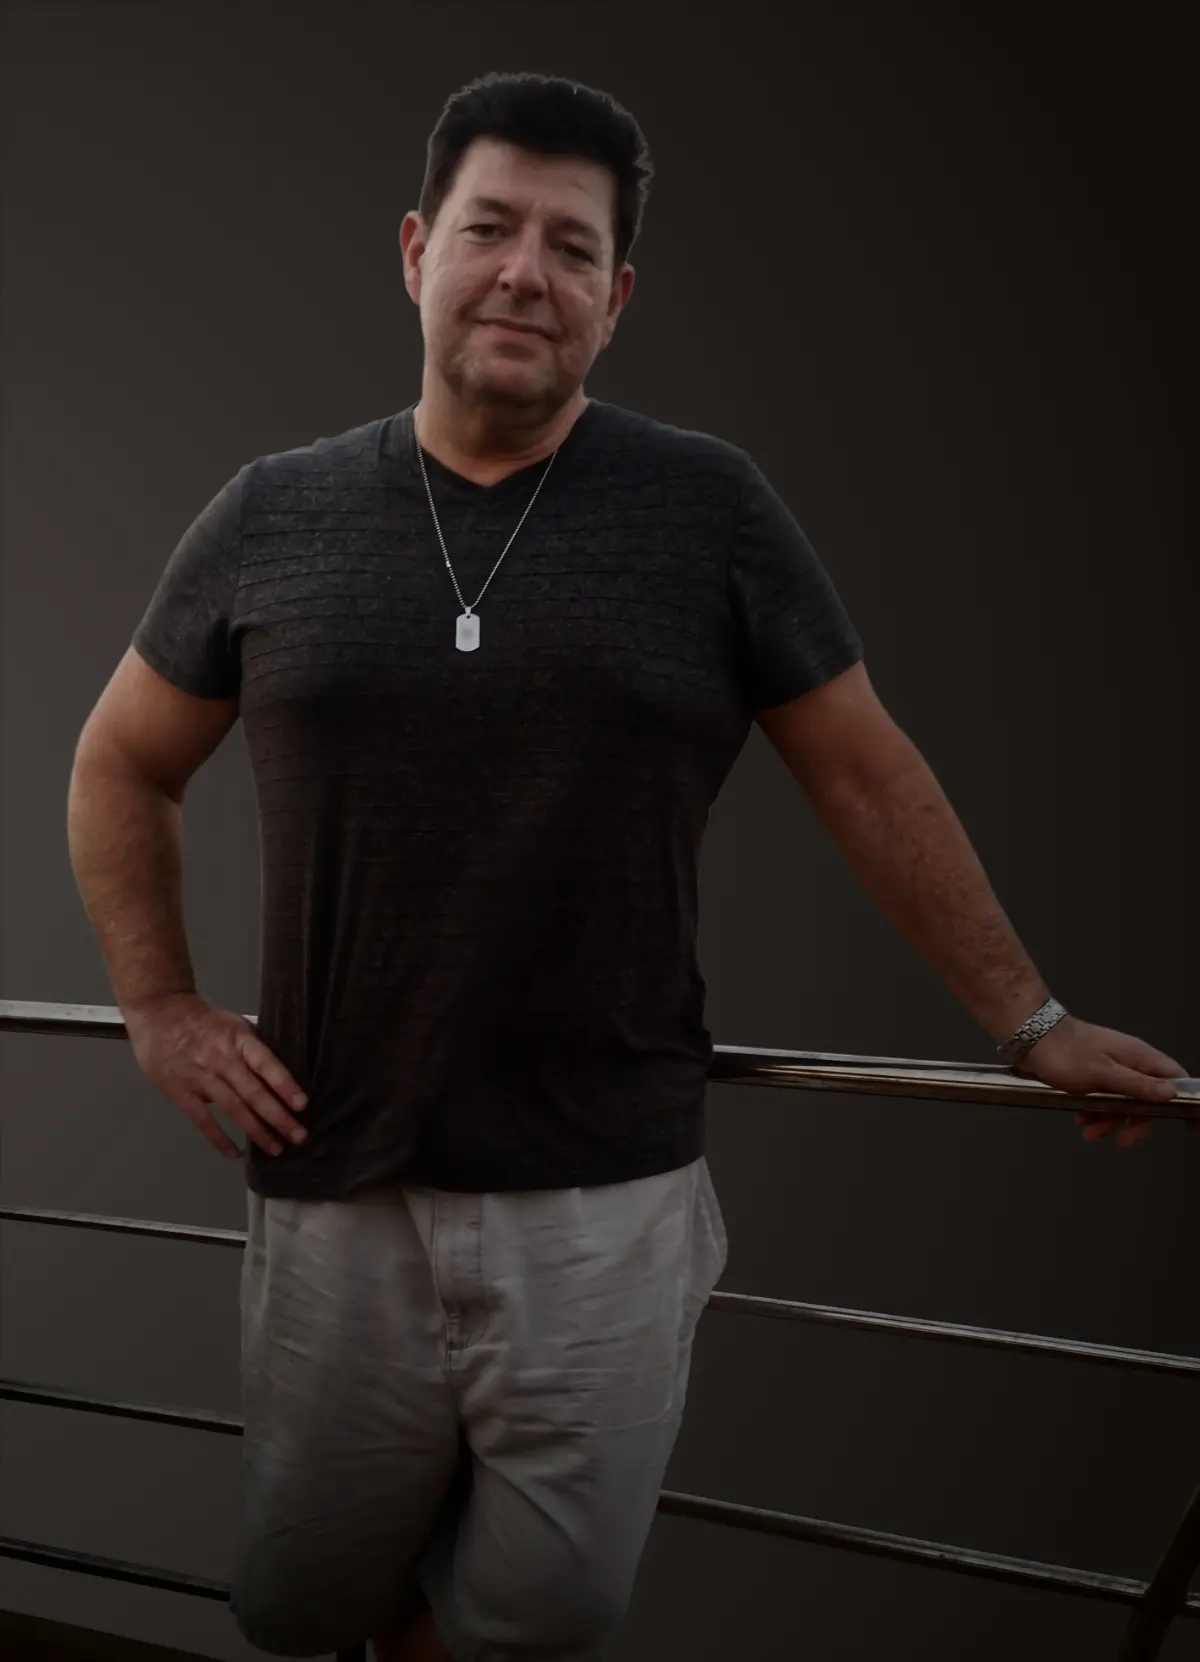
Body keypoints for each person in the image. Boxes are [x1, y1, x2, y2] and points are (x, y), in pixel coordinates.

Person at [66, 71, 1190, 1662]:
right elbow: (121, 761)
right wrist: (160, 1002)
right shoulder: (274, 512)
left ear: (618, 295)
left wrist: (1029, 1020)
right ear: (414, 249)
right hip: (336, 1189)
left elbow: (869, 777)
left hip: (604, 1205)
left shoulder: (711, 509)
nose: (527, 270)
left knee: (544, 1625)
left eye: (572, 247)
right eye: (491, 227)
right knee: (311, 1596)